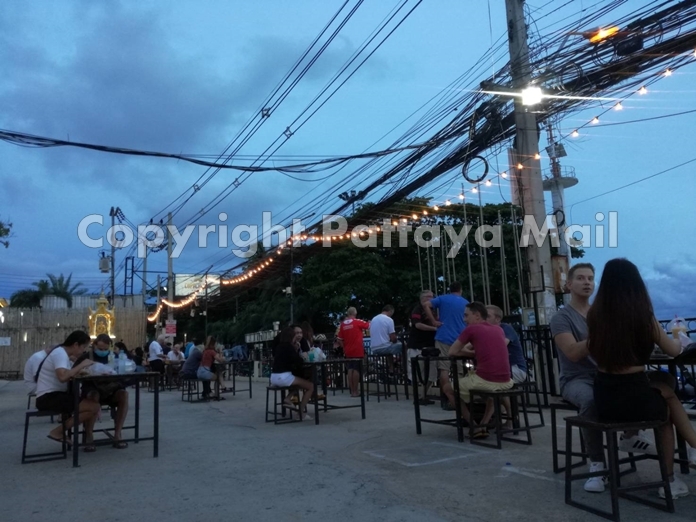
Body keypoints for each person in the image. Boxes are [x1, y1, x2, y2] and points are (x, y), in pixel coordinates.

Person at [587, 258, 696, 499]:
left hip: (604, 398)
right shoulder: (643, 317)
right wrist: (679, 339)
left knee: (663, 383)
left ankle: (637, 437)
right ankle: (670, 480)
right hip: (634, 398)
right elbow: (673, 351)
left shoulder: (594, 316)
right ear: (636, 285)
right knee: (664, 413)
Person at [550, 262, 657, 493]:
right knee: (591, 400)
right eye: (580, 278)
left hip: (608, 374)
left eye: (590, 278)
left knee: (650, 386)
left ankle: (631, 435)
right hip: (576, 378)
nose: (587, 282)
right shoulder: (561, 318)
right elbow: (572, 353)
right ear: (569, 284)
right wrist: (604, 334)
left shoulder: (601, 313)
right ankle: (597, 465)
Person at [448, 302, 514, 438]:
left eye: (466, 315)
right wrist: (475, 353)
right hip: (506, 381)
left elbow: (452, 351)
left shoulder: (472, 329)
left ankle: (474, 426)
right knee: (491, 391)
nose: (464, 319)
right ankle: (483, 424)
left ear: (477, 315)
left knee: (448, 388)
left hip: (486, 380)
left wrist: (469, 353)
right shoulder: (499, 329)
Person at [35, 330, 100, 451]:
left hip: (55, 395)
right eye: (83, 347)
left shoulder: (63, 354)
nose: (83, 351)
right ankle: (58, 431)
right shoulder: (59, 354)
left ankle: (81, 435)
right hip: (48, 397)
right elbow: (63, 377)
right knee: (94, 407)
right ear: (76, 345)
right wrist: (81, 365)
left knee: (93, 405)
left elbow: (67, 374)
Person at [75, 333, 130, 449]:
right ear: (94, 345)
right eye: (100, 349)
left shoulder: (115, 357)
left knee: (124, 395)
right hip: (92, 389)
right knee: (93, 397)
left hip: (111, 389)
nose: (103, 351)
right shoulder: (86, 357)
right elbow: (74, 372)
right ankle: (89, 435)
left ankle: (118, 434)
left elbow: (124, 375)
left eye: (105, 349)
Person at [423, 281, 468, 409]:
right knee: (460, 369)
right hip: (459, 339)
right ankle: (460, 397)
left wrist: (433, 321)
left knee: (444, 369)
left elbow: (426, 305)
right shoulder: (466, 302)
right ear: (460, 290)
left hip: (443, 336)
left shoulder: (442, 299)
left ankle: (447, 399)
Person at [270, 326, 314, 420]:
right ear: (291, 337)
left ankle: (288, 398)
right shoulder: (289, 347)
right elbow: (298, 362)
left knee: (300, 383)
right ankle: (301, 413)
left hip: (274, 377)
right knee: (310, 386)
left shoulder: (279, 346)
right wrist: (296, 350)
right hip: (283, 377)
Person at [407, 290, 439, 405]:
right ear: (423, 298)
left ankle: (423, 395)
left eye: (432, 297)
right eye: (429, 297)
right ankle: (418, 397)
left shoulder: (434, 310)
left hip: (430, 345)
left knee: (432, 373)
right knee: (417, 373)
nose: (432, 299)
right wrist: (434, 328)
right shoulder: (418, 309)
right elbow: (418, 324)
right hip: (417, 345)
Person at [485, 305, 527, 383]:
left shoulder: (505, 328)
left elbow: (500, 346)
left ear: (497, 319)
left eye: (487, 316)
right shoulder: (485, 331)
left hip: (516, 369)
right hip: (502, 369)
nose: (484, 319)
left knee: (485, 378)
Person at [337, 307, 370, 397]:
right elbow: (368, 325)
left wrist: (344, 347)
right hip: (357, 349)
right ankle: (356, 391)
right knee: (356, 369)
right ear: (355, 313)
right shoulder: (357, 321)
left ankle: (352, 391)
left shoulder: (343, 324)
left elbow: (339, 339)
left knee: (350, 369)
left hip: (348, 351)